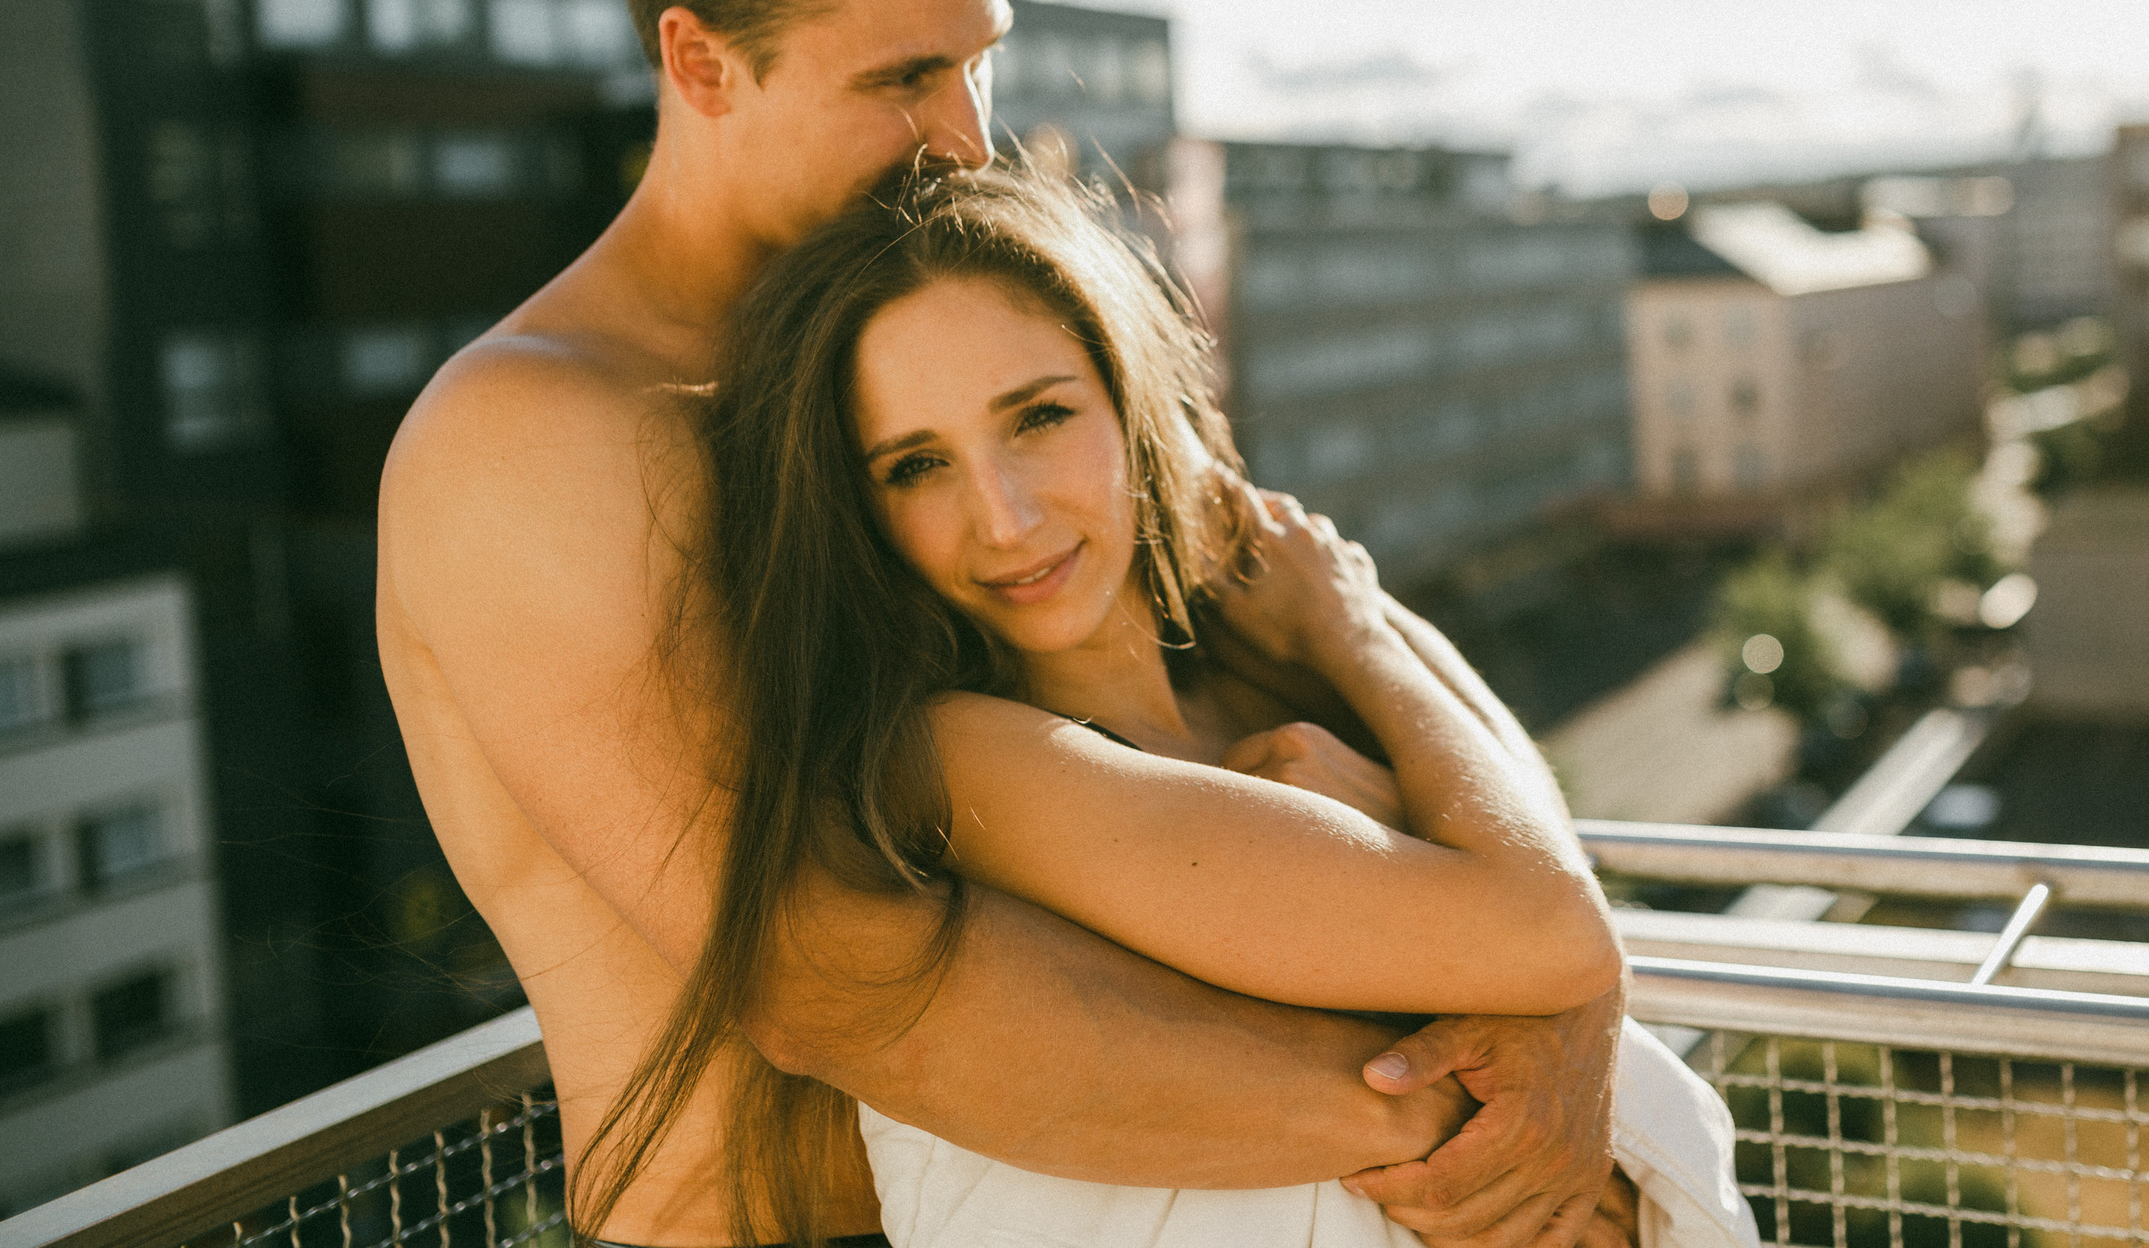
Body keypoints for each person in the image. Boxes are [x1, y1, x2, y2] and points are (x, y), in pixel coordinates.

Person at [377, 0, 1636, 1248]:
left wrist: (1573, 997)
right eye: (903, 79)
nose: (967, 133)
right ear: (702, 63)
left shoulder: (941, 337)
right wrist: (1445, 1109)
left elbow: (1334, 616)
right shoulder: (538, 433)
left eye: (977, 61)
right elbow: (824, 969)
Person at [655, 163, 1761, 1248]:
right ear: (861, 513)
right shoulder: (961, 760)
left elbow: (1543, 857)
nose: (1003, 517)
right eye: (914, 467)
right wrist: (1354, 638)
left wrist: (1353, 626)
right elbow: (1556, 930)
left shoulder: (1246, 689)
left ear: (1130, 400)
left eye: (1037, 417)